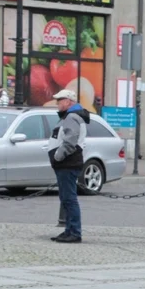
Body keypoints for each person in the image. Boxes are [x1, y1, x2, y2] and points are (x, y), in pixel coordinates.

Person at [47, 89, 89, 244]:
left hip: (67, 163)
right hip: (67, 163)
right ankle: (69, 230)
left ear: (68, 102)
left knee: (69, 199)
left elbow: (70, 141)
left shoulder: (71, 117)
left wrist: (58, 156)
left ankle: (74, 232)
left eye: (60, 100)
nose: (57, 103)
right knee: (66, 198)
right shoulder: (71, 116)